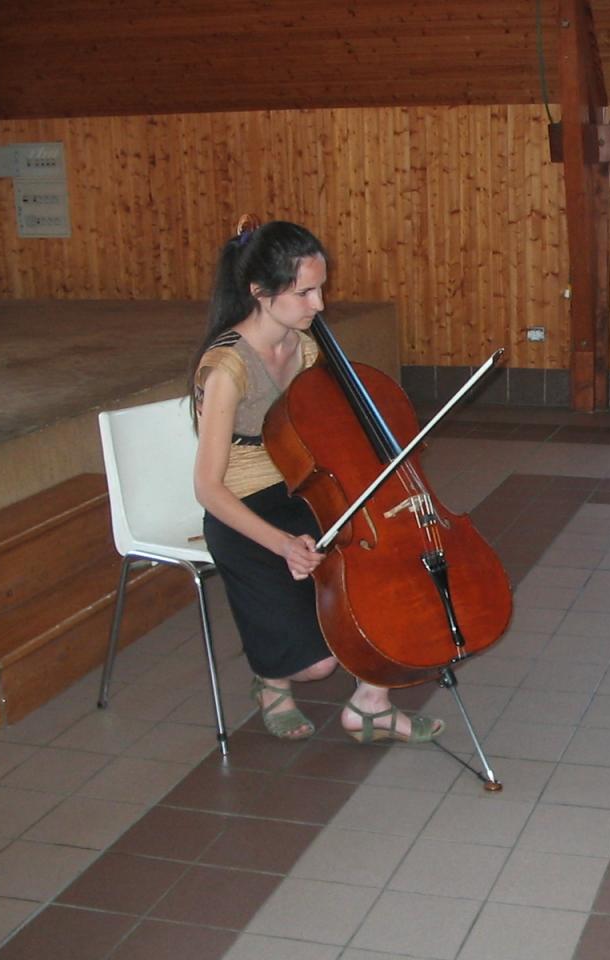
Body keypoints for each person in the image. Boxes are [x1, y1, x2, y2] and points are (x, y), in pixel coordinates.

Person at [190, 217, 444, 743]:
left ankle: (372, 705)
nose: (319, 305)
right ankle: (271, 681)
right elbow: (208, 489)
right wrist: (283, 545)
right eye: (305, 292)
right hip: (246, 515)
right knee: (318, 666)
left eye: (320, 288)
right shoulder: (226, 370)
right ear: (261, 293)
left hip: (300, 490)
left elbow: (319, 434)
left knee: (385, 555)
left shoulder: (304, 349)